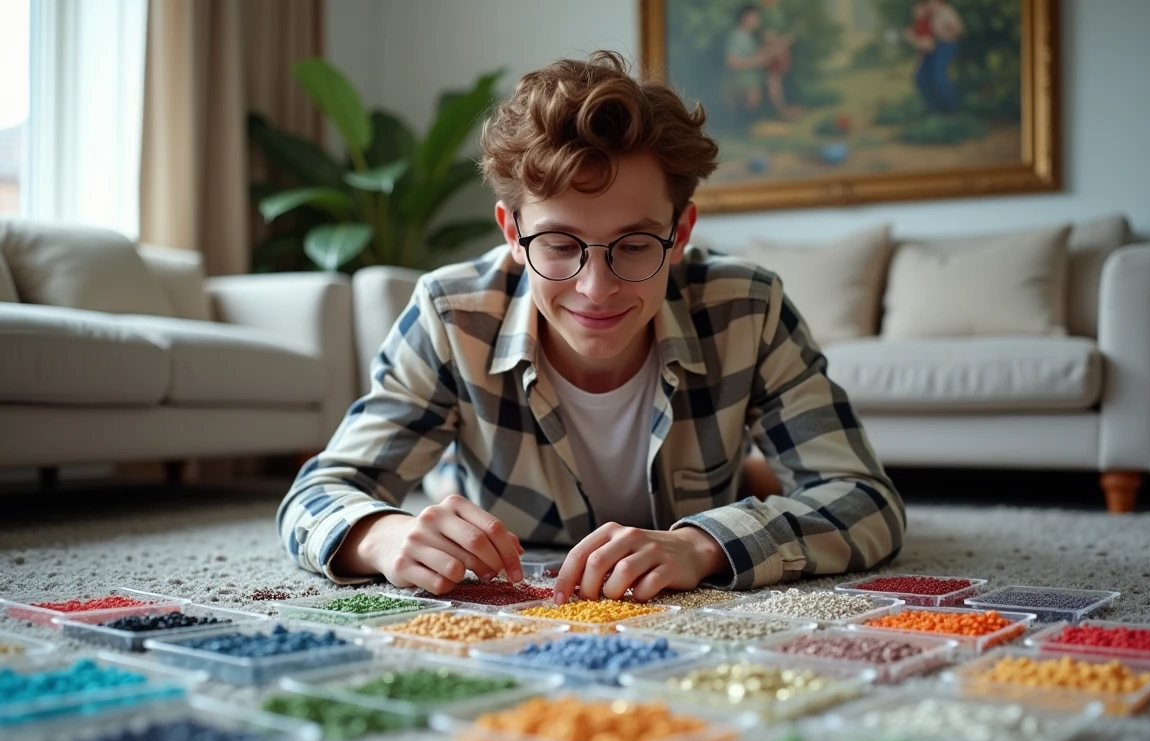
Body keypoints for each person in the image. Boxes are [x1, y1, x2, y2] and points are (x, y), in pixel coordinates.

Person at [276, 51, 906, 603]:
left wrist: (704, 545)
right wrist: (383, 537)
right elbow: (320, 493)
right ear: (512, 233)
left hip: (691, 518)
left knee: (752, 488)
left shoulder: (749, 305)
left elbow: (866, 500)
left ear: (679, 233)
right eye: (557, 243)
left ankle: (744, 477)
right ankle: (748, 475)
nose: (596, 289)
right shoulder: (450, 314)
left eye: (634, 245)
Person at [725, 4, 798, 119]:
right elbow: (732, 62)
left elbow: (758, 56)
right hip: (743, 87)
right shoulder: (737, 37)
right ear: (745, 18)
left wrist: (778, 47)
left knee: (774, 80)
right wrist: (759, 61)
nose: (759, 20)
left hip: (752, 87)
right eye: (756, 17)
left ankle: (783, 112)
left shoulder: (748, 37)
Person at [914, 0, 963, 112]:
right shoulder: (933, 13)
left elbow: (957, 28)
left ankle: (951, 108)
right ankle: (936, 107)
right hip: (936, 45)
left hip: (946, 43)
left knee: (939, 76)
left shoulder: (945, 12)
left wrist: (947, 33)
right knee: (926, 77)